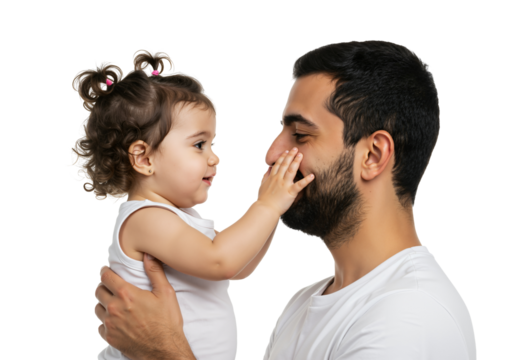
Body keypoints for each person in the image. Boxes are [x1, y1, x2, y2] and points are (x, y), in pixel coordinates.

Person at [93, 41, 478, 359]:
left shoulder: (409, 318)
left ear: (373, 156)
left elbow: (227, 264)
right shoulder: (304, 301)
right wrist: (270, 208)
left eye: (301, 135)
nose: (272, 154)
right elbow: (228, 262)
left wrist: (164, 351)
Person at [68, 48, 315, 360]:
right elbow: (220, 261)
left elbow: (237, 268)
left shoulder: (181, 218)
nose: (215, 158)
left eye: (213, 144)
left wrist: (274, 210)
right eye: (199, 145)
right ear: (144, 158)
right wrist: (265, 206)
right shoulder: (145, 219)